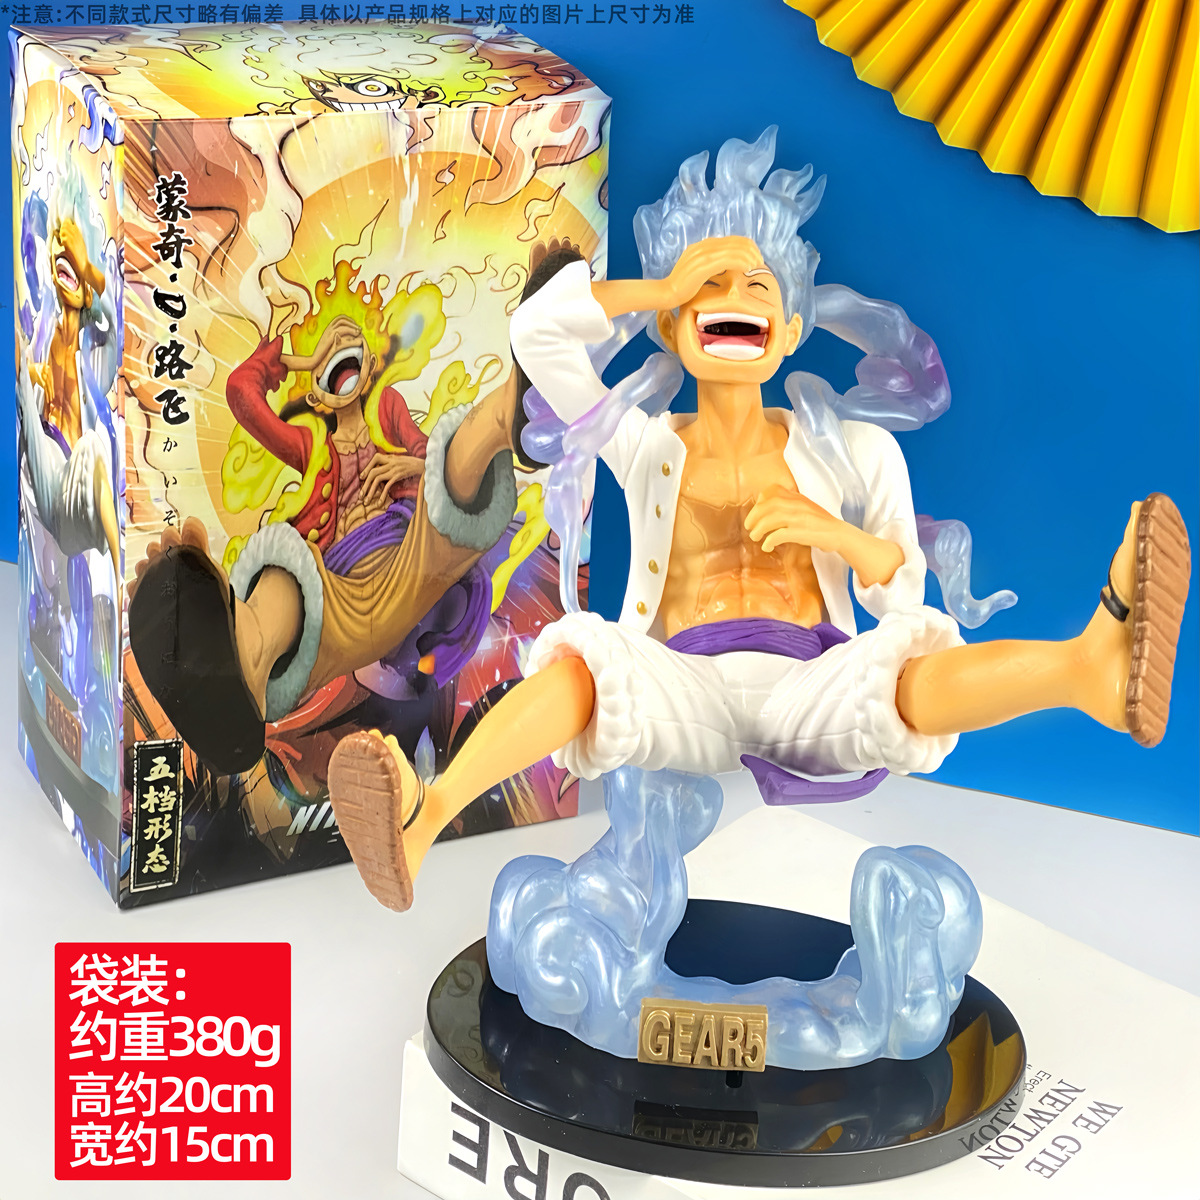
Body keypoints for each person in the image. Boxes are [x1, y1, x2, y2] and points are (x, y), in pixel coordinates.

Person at [316, 132, 1191, 913]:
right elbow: (540, 334)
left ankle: (1091, 670)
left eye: (755, 284)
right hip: (682, 687)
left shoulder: (853, 450)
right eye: (710, 284)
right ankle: (425, 814)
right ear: (673, 328)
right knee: (587, 664)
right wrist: (662, 283)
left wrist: (833, 534)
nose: (732, 295)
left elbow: (901, 593)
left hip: (811, 683)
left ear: (790, 329)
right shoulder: (642, 443)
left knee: (907, 672)